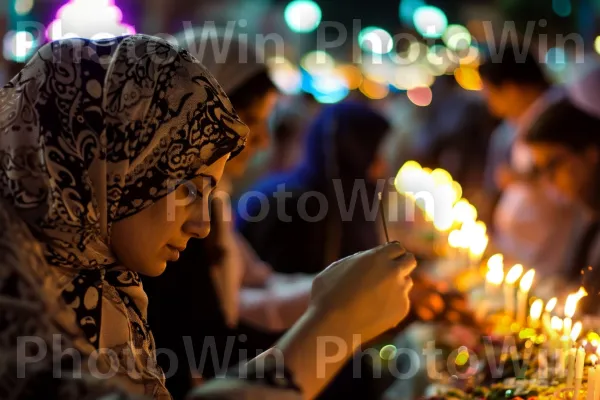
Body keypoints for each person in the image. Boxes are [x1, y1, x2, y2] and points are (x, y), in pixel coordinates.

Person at [0, 34, 416, 399]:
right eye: (188, 189)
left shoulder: (109, 284)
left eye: (208, 193)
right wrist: (335, 323)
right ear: (114, 160)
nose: (201, 225)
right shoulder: (18, 296)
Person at [142, 32, 315, 399]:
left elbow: (248, 290)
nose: (258, 141)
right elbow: (207, 336)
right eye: (248, 120)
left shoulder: (212, 204)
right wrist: (337, 316)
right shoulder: (157, 224)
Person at [478, 44, 581, 274]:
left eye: (491, 95)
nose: (491, 107)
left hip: (549, 260)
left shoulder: (557, 118)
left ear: (512, 89)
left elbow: (570, 190)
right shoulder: (525, 120)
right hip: (526, 255)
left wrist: (526, 178)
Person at [523, 97, 600, 307]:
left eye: (553, 164)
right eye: (540, 170)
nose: (548, 179)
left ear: (591, 153)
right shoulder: (585, 212)